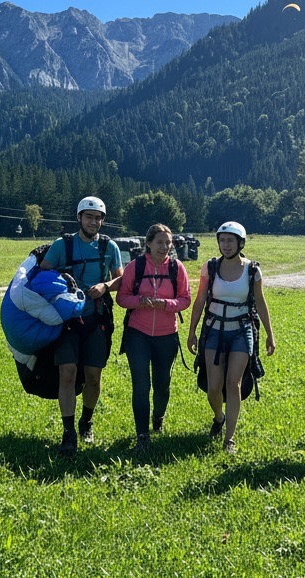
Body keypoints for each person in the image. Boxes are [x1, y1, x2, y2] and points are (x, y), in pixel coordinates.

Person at [39, 196, 124, 457]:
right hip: (67, 321)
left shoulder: (110, 248)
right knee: (67, 372)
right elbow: (43, 274)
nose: (94, 222)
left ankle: (86, 421)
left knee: (93, 377)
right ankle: (68, 432)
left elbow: (121, 279)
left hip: (97, 319)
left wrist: (106, 286)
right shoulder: (61, 245)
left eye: (98, 218)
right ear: (79, 218)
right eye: (89, 216)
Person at [186, 221, 275, 454]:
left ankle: (229, 439)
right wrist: (192, 331)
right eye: (222, 240)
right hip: (214, 329)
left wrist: (269, 334)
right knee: (214, 387)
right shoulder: (210, 267)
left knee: (232, 383)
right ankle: (219, 417)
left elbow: (261, 303)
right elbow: (200, 300)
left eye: (230, 241)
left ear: (240, 243)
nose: (226, 245)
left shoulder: (253, 270)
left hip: (241, 331)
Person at [115, 224, 192, 454]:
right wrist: (139, 301)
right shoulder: (135, 267)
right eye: (160, 242)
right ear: (148, 243)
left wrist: (165, 305)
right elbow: (122, 298)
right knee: (141, 386)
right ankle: (142, 434)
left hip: (167, 336)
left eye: (168, 243)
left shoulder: (177, 268)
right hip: (138, 334)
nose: (165, 247)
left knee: (162, 385)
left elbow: (185, 299)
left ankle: (158, 419)